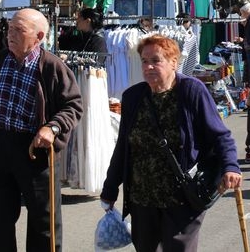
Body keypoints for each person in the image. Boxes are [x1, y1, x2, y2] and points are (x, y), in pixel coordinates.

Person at [100, 35, 242, 251]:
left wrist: (231, 166)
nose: (148, 67)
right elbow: (124, 148)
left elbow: (220, 135)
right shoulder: (132, 97)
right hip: (142, 198)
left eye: (156, 60)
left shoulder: (192, 91)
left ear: (174, 62)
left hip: (182, 197)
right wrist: (110, 189)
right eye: (144, 61)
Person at [0, 8, 84, 252]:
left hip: (35, 150)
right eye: (10, 28)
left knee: (43, 223)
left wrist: (52, 127)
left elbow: (74, 105)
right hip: (2, 146)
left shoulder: (52, 66)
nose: (10, 34)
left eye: (19, 30)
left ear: (38, 37)